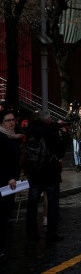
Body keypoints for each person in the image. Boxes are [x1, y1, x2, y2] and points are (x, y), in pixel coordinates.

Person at [25, 110, 67, 242]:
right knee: (53, 203)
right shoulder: (50, 132)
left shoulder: (30, 130)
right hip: (49, 172)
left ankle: (31, 233)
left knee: (32, 204)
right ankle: (51, 233)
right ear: (48, 120)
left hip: (34, 172)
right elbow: (60, 152)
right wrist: (64, 135)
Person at [0, 110, 24, 258]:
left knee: (7, 214)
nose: (12, 122)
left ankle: (4, 245)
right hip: (4, 183)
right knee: (2, 216)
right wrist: (8, 177)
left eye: (13, 120)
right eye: (8, 120)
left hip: (11, 184)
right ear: (2, 123)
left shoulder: (11, 137)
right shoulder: (2, 138)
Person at [66, 103, 81, 172]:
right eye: (80, 111)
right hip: (76, 137)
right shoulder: (75, 117)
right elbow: (67, 118)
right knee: (76, 151)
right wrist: (70, 109)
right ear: (78, 111)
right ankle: (77, 165)